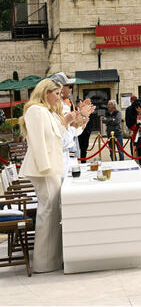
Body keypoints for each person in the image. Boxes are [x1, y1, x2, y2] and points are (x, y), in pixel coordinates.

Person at [19, 79, 80, 273]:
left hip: (50, 167)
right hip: (43, 168)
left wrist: (68, 121)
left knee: (53, 211)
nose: (59, 96)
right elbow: (37, 141)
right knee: (47, 211)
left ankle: (53, 259)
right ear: (46, 92)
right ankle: (43, 262)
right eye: (56, 93)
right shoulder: (36, 111)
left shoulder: (45, 111)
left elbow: (55, 137)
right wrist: (46, 168)